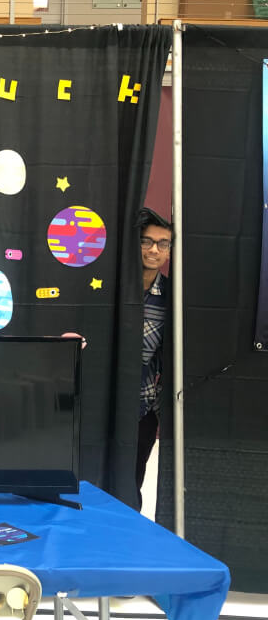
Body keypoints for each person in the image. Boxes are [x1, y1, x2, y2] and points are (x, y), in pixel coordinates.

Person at [137, 207, 173, 508]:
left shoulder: (172, 295)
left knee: (133, 479)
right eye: (147, 241)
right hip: (99, 407)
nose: (154, 249)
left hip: (142, 405)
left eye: (163, 244)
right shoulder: (111, 287)